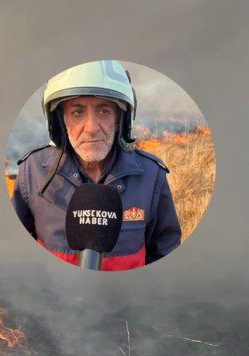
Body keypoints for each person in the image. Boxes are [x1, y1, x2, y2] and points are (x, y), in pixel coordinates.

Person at [12, 60, 181, 270]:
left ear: (120, 119)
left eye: (103, 111)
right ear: (61, 120)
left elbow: (165, 252)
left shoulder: (150, 175)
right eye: (77, 112)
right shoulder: (32, 170)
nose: (91, 128)